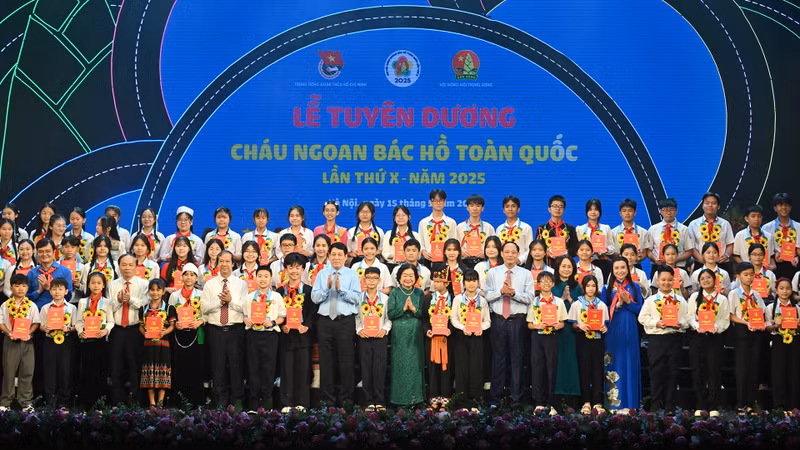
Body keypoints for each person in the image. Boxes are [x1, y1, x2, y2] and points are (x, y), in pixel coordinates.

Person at [484, 241, 534, 407]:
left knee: (517, 360)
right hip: (498, 320)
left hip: (517, 321)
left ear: (518, 254)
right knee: (498, 359)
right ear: (502, 253)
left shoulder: (526, 274)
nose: (510, 255)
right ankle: (495, 399)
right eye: (507, 252)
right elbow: (487, 296)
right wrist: (500, 292)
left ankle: (516, 399)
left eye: (514, 252)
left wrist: (513, 293)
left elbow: (530, 298)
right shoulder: (493, 273)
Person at [311, 242, 361, 406]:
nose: (337, 257)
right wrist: (327, 288)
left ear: (346, 257)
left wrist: (341, 290)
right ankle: (327, 400)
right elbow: (315, 298)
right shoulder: (322, 274)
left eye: (340, 254)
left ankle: (347, 400)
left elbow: (357, 299)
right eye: (333, 254)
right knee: (326, 361)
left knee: (346, 361)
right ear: (328, 256)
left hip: (345, 322)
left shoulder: (352, 275)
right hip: (325, 321)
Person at [201, 251, 248, 409]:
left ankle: (237, 401)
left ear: (233, 264)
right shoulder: (210, 284)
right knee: (217, 366)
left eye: (228, 261)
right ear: (217, 263)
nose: (225, 264)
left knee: (236, 366)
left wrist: (231, 301)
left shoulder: (241, 284)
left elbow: (245, 308)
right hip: (215, 330)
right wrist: (220, 302)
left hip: (236, 330)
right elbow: (204, 308)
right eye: (221, 261)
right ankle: (219, 402)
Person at [639, 266, 689, 411]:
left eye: (669, 280)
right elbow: (642, 318)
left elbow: (688, 318)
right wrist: (656, 323)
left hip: (674, 339)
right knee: (656, 372)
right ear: (657, 281)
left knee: (673, 372)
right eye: (663, 280)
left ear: (674, 281)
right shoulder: (650, 300)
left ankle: (670, 406)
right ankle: (655, 405)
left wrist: (681, 324)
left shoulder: (680, 300)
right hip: (656, 340)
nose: (666, 283)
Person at [686, 268, 730, 416]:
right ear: (698, 282)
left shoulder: (722, 299)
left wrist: (716, 327)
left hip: (715, 338)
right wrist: (697, 326)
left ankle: (714, 406)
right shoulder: (693, 297)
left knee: (714, 371)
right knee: (698, 371)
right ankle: (700, 404)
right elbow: (690, 317)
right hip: (697, 338)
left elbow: (725, 320)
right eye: (702, 278)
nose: (706, 280)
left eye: (709, 278)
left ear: (715, 280)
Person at [602, 256, 642, 411]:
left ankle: (630, 404)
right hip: (612, 329)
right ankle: (612, 404)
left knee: (629, 363)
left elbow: (639, 310)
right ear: (612, 270)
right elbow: (602, 311)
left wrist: (628, 302)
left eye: (623, 267)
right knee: (612, 361)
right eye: (616, 268)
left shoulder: (635, 287)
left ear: (628, 268)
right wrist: (617, 305)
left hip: (630, 329)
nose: (620, 271)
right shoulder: (607, 288)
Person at [108, 254, 149, 404]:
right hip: (117, 330)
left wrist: (130, 299)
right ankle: (118, 401)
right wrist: (119, 301)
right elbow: (108, 307)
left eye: (130, 265)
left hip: (135, 330)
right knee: (116, 366)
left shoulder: (144, 284)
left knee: (135, 365)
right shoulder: (112, 285)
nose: (127, 268)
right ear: (119, 266)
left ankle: (136, 401)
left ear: (136, 266)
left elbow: (145, 304)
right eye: (124, 264)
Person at [277, 252, 316, 411]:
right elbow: (276, 313)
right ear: (285, 269)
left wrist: (306, 325)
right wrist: (281, 326)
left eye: (297, 267)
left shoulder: (309, 290)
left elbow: (313, 312)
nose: (294, 271)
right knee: (286, 370)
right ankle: (287, 403)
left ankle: (302, 403)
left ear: (302, 270)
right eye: (290, 267)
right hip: (286, 336)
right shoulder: (279, 292)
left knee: (303, 370)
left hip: (302, 337)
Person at [243, 265, 285, 411]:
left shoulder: (276, 297)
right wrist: (246, 319)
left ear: (271, 278)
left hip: (270, 335)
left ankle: (267, 404)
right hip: (253, 335)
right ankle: (253, 405)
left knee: (268, 368)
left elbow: (282, 316)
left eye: (266, 276)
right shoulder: (249, 297)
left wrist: (272, 322)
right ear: (256, 278)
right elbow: (244, 315)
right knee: (253, 368)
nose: (262, 279)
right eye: (260, 276)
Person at [728, 262, 766, 414]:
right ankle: (740, 403)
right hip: (742, 333)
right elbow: (731, 315)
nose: (749, 277)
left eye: (752, 274)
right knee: (742, 369)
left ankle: (751, 403)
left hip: (756, 333)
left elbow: (762, 313)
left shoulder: (756, 295)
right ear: (738, 276)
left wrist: (763, 324)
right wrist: (746, 322)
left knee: (754, 368)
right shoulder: (734, 294)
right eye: (746, 274)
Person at [527, 271, 568, 413]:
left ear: (553, 283)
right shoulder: (533, 302)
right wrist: (538, 325)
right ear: (538, 284)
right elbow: (529, 324)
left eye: (549, 281)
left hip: (552, 337)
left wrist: (558, 325)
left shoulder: (559, 302)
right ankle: (539, 402)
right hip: (537, 337)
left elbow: (563, 322)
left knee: (552, 368)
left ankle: (552, 403)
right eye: (543, 281)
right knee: (537, 368)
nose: (546, 284)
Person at [568, 275, 609, 414]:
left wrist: (604, 328)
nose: (591, 288)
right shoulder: (577, 304)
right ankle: (585, 401)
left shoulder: (602, 305)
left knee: (598, 370)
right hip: (582, 340)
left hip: (597, 341)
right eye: (588, 286)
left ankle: (597, 402)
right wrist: (579, 325)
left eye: (593, 286)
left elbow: (605, 324)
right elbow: (573, 324)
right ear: (583, 287)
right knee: (584, 370)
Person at [167, 264, 206, 407]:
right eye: (186, 274)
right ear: (181, 277)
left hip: (197, 334)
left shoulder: (201, 295)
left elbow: (207, 314)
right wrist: (175, 323)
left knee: (196, 367)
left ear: (196, 278)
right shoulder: (174, 295)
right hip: (179, 335)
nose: (188, 277)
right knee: (180, 367)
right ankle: (179, 401)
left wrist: (200, 321)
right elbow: (170, 314)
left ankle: (196, 402)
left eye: (192, 274)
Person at [449, 268, 490, 407]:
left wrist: (481, 329)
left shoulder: (483, 301)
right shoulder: (458, 299)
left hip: (477, 338)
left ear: (478, 283)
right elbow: (453, 319)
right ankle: (461, 400)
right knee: (461, 368)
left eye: (474, 281)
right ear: (463, 283)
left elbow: (487, 321)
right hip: (461, 337)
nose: (471, 284)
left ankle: (475, 399)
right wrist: (463, 328)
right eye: (468, 281)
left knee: (476, 368)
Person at [74, 271, 115, 409]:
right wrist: (80, 332)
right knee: (86, 372)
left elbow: (111, 321)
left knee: (101, 373)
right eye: (93, 283)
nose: (96, 286)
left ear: (103, 285)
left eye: (99, 283)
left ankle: (100, 404)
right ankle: (86, 404)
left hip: (101, 341)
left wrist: (106, 330)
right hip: (86, 342)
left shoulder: (108, 302)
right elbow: (79, 321)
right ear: (88, 285)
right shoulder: (82, 302)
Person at [387, 263, 425, 406]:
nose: (408, 278)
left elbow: (423, 314)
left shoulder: (419, 293)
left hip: (415, 334)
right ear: (399, 277)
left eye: (411, 276)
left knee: (415, 365)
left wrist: (414, 309)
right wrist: (403, 309)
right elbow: (390, 314)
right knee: (400, 365)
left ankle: (416, 399)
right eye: (405, 275)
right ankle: (399, 399)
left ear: (416, 277)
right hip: (399, 334)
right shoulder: (395, 293)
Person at [0, 274, 39, 412]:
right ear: (11, 287)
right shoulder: (5, 305)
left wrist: (29, 333)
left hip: (27, 342)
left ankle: (25, 401)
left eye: (23, 286)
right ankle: (6, 401)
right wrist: (8, 332)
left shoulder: (31, 305)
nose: (20, 289)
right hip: (10, 341)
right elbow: (1, 323)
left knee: (27, 371)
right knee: (9, 371)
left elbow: (35, 322)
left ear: (27, 287)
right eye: (17, 286)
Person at [355, 266, 392, 410]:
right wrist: (359, 330)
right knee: (366, 369)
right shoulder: (359, 298)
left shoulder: (385, 298)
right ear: (364, 280)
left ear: (380, 280)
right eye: (368, 278)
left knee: (379, 369)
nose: (371, 281)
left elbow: (389, 319)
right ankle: (368, 401)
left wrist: (385, 329)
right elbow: (357, 317)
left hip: (380, 337)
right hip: (364, 337)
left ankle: (380, 400)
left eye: (374, 278)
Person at [38, 277, 77, 409]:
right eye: (54, 289)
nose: (57, 292)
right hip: (49, 342)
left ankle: (64, 403)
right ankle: (50, 403)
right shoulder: (45, 308)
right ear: (50, 291)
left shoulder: (71, 308)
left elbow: (76, 326)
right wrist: (46, 328)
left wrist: (69, 329)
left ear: (66, 291)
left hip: (66, 342)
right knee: (50, 372)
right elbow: (40, 325)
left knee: (65, 372)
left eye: (60, 289)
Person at [139, 279, 176, 408]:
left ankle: (160, 402)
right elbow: (140, 327)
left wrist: (164, 333)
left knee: (162, 374)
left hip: (163, 344)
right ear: (148, 291)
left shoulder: (169, 308)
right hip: (148, 345)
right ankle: (152, 403)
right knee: (149, 373)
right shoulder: (144, 308)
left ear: (163, 291)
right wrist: (145, 334)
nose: (155, 292)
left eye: (158, 289)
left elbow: (172, 326)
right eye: (152, 289)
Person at [551, 255, 581, 405]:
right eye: (563, 266)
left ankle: (572, 397)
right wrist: (562, 299)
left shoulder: (577, 287)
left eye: (569, 266)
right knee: (557, 362)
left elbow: (583, 308)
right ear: (557, 268)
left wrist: (569, 300)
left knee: (571, 362)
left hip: (572, 330)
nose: (566, 269)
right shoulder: (552, 285)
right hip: (556, 329)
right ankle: (556, 398)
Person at [765, 278, 799, 411]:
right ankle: (779, 407)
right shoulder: (770, 308)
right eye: (782, 288)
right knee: (778, 373)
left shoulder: (796, 308)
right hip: (778, 341)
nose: (785, 291)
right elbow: (767, 328)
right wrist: (775, 325)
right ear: (777, 290)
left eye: (788, 288)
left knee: (794, 373)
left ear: (791, 291)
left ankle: (794, 407)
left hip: (794, 342)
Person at [424, 267, 453, 410]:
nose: (435, 285)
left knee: (447, 367)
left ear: (447, 283)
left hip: (448, 339)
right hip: (432, 338)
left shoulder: (454, 298)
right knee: (433, 366)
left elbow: (457, 317)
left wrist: (450, 330)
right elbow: (424, 319)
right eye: (434, 281)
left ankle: (446, 396)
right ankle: (434, 396)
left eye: (439, 282)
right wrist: (427, 330)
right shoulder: (429, 298)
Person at [687, 192, 735, 271]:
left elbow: (730, 244)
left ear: (718, 206)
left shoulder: (725, 224)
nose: (710, 205)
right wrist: (700, 258)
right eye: (707, 203)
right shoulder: (694, 224)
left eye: (713, 203)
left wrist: (726, 256)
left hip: (721, 263)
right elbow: (690, 246)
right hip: (701, 263)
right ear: (702, 205)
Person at [647, 198, 692, 275]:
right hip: (658, 267)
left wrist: (675, 259)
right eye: (665, 210)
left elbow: (689, 251)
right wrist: (655, 259)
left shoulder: (684, 229)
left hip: (679, 267)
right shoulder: (653, 229)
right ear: (660, 211)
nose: (669, 213)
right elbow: (648, 251)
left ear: (676, 211)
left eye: (671, 210)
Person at [27, 238, 73, 309]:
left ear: (54, 252)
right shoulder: (32, 273)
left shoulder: (65, 271)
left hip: (59, 313)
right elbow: (26, 297)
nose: (44, 254)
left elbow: (68, 297)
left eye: (48, 251)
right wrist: (39, 291)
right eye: (41, 251)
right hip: (38, 313)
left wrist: (50, 288)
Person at [576, 198, 614, 280]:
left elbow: (612, 248)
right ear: (586, 212)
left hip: (603, 263)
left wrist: (606, 250)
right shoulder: (580, 229)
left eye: (596, 209)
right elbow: (577, 248)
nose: (593, 212)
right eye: (590, 209)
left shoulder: (606, 228)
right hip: (586, 263)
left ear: (600, 212)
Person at [763, 193, 799, 280]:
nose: (784, 207)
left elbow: (799, 248)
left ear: (790, 207)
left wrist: (797, 258)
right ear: (775, 208)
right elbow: (764, 249)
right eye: (780, 205)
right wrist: (774, 255)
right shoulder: (767, 227)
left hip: (793, 264)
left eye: (786, 205)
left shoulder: (798, 226)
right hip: (775, 265)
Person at [418, 190, 458, 264]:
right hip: (428, 260)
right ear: (430, 202)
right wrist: (423, 251)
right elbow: (420, 242)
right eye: (435, 201)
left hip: (447, 260)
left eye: (441, 200)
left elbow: (454, 242)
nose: (438, 203)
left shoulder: (451, 222)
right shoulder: (423, 222)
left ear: (445, 202)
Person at [456, 194, 495, 269]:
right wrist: (460, 251)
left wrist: (486, 253)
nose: (474, 208)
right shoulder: (460, 227)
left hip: (484, 263)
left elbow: (496, 246)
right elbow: (454, 245)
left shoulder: (489, 227)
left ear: (482, 208)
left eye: (478, 206)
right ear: (467, 208)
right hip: (464, 263)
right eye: (471, 205)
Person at [536, 195, 579, 261]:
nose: (558, 209)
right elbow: (537, 248)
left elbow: (575, 249)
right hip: (547, 265)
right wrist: (546, 251)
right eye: (555, 206)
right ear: (549, 209)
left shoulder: (570, 228)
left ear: (564, 210)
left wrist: (565, 252)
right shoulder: (541, 228)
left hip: (565, 265)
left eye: (561, 207)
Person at [610, 198, 651, 266]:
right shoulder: (613, 232)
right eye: (624, 211)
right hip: (618, 266)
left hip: (636, 265)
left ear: (635, 213)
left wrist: (640, 256)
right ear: (620, 213)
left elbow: (645, 253)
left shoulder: (643, 232)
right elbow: (611, 253)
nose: (627, 213)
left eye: (630, 211)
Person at [495, 195, 533, 264]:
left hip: (520, 265)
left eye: (513, 206)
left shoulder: (526, 228)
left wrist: (519, 260)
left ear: (518, 209)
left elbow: (530, 249)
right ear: (503, 210)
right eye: (507, 206)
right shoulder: (499, 229)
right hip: (503, 265)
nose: (510, 209)